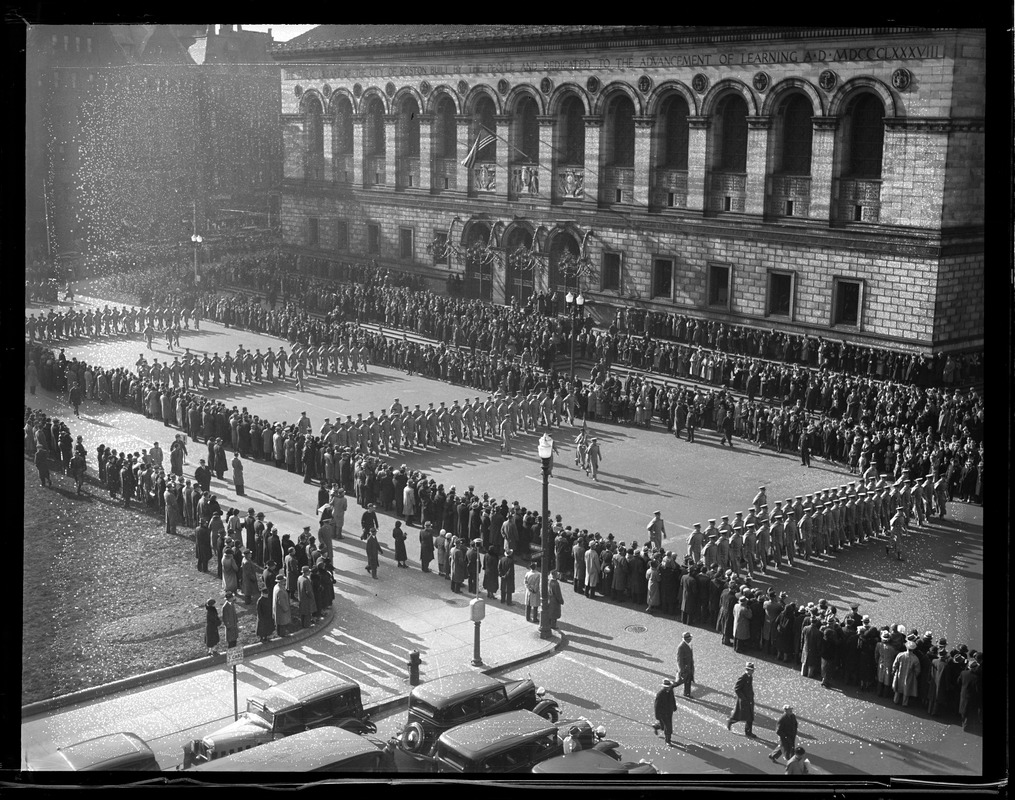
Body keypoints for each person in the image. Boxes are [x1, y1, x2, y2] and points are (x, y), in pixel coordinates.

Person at [726, 662, 756, 737]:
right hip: (744, 700)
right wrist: (743, 698)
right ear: (747, 670)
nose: (753, 671)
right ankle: (731, 721)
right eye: (751, 670)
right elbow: (737, 689)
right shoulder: (743, 677)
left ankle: (748, 732)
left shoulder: (750, 676)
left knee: (750, 717)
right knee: (740, 715)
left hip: (749, 700)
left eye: (753, 670)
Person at [653, 679, 677, 746]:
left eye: (669, 686)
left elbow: (673, 699)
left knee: (663, 726)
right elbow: (656, 706)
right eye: (667, 687)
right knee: (668, 727)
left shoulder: (671, 692)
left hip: (669, 711)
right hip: (663, 713)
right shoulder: (660, 694)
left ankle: (657, 726)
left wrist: (674, 706)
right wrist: (657, 715)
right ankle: (668, 741)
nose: (669, 688)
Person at [674, 632, 695, 698]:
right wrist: (681, 670)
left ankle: (687, 693)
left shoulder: (689, 644)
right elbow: (679, 659)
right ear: (686, 639)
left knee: (688, 681)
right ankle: (669, 688)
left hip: (689, 667)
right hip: (684, 668)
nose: (691, 639)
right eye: (689, 638)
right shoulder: (681, 647)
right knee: (679, 681)